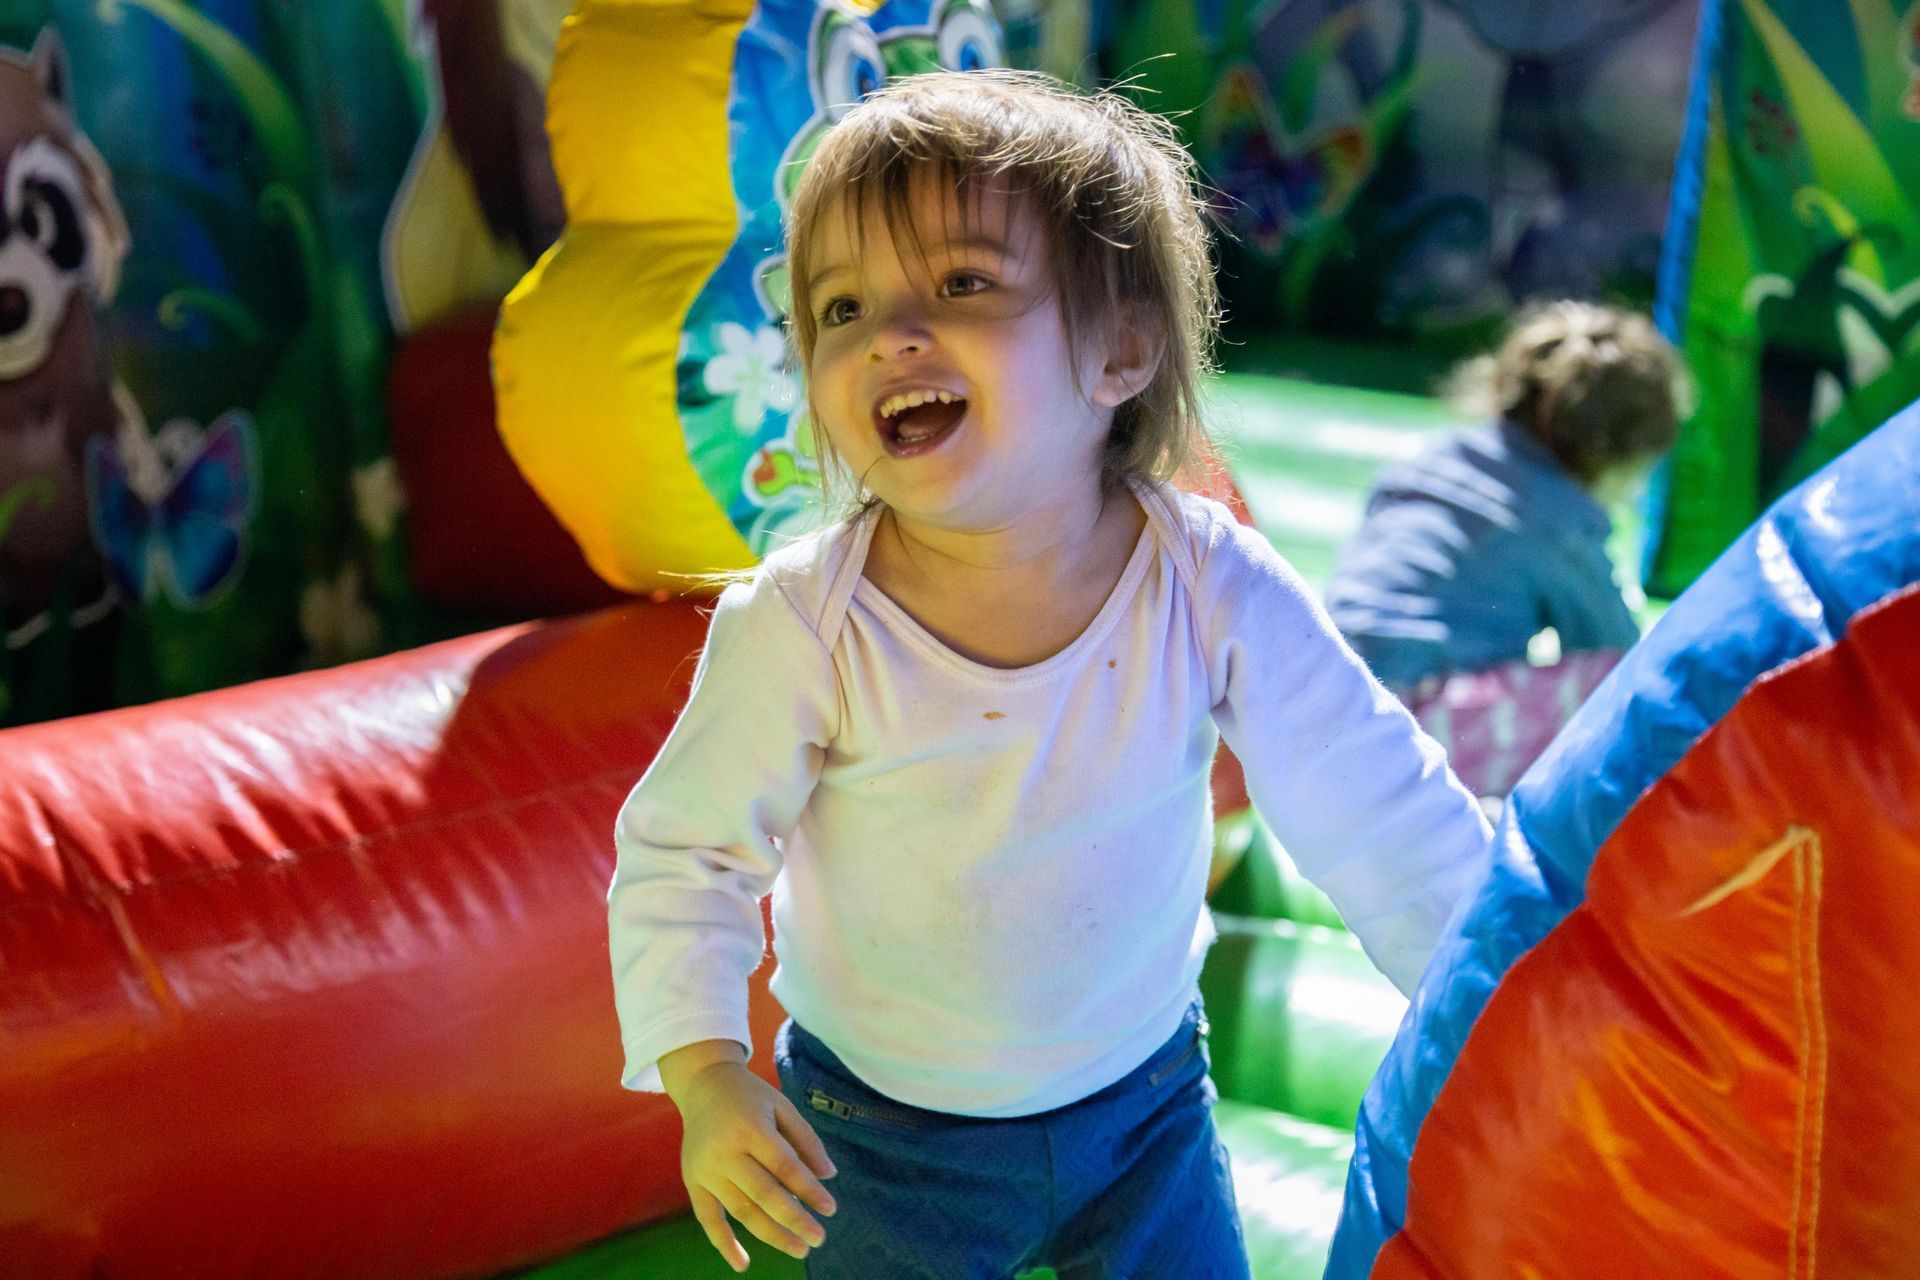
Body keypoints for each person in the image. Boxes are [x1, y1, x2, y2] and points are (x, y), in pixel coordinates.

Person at [607, 70, 1492, 1278]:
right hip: (878, 1135)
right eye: (842, 309)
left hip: (1144, 1106)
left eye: (963, 283)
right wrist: (706, 1071)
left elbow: (1373, 794)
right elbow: (686, 852)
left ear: (1121, 348)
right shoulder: (809, 625)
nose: (891, 335)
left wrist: (1497, 993)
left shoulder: (1204, 580)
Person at [1325, 301, 1685, 701]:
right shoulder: (1560, 517)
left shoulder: (1430, 462)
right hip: (1416, 712)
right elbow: (1615, 650)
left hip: (1326, 687)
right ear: (1616, 454)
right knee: (1612, 686)